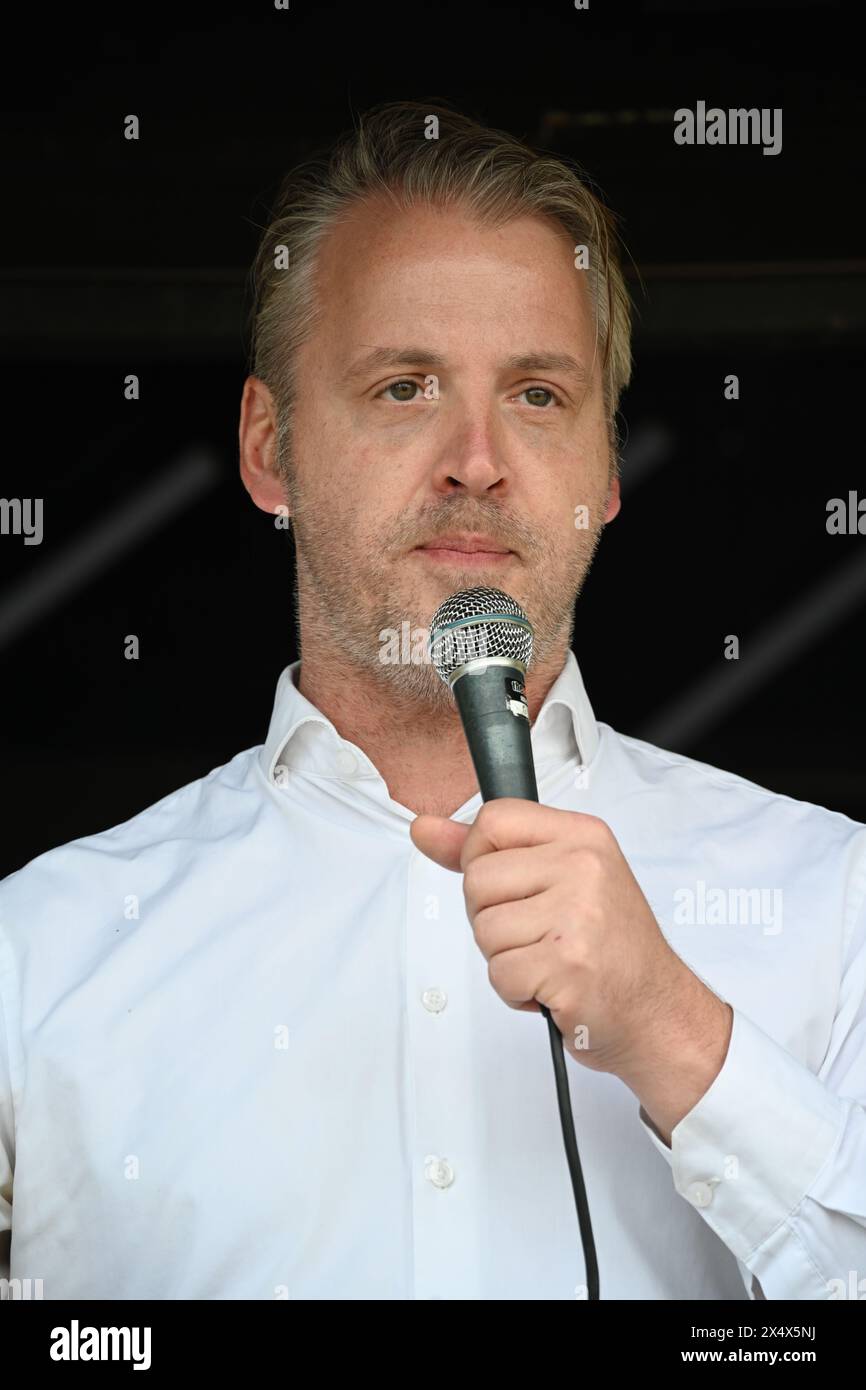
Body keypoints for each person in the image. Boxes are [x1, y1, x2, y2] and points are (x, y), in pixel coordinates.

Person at [1, 100, 864, 1302]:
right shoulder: (37, 953)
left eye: (539, 395)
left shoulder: (835, 906)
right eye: (405, 387)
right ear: (268, 448)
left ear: (605, 469)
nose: (475, 456)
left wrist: (675, 1033)